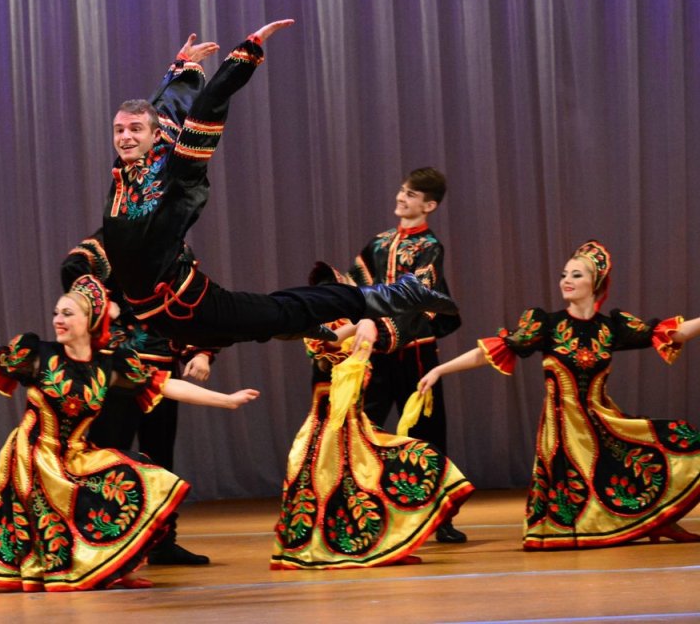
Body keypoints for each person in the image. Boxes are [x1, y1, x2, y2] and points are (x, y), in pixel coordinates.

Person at [101, 20, 458, 352]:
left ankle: (396, 295)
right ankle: (295, 323)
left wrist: (245, 55)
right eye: (119, 130)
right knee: (250, 327)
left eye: (135, 130)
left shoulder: (176, 172)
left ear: (154, 136)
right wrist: (183, 70)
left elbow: (206, 109)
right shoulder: (125, 171)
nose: (125, 136)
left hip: (188, 304)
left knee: (276, 311)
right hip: (163, 319)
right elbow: (162, 110)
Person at [0, 275, 259, 591]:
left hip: (76, 452)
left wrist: (225, 400)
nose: (58, 320)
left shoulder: (110, 364)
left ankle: (115, 564)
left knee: (137, 477)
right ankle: (67, 567)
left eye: (68, 313)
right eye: (56, 313)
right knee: (55, 518)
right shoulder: (38, 354)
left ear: (91, 319)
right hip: (33, 456)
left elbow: (165, 384)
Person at [418, 240, 700, 549]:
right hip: (563, 428)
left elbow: (675, 333)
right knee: (580, 490)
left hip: (600, 418)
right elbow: (493, 350)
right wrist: (440, 370)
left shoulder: (611, 327)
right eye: (564, 274)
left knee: (674, 442)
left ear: (595, 283)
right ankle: (640, 523)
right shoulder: (547, 324)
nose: (566, 280)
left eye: (577, 275)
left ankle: (662, 521)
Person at [62, 229, 216, 566]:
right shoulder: (114, 239)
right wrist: (103, 305)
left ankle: (161, 541)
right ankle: (98, 540)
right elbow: (74, 268)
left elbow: (191, 304)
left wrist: (201, 352)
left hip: (161, 368)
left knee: (159, 458)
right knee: (108, 456)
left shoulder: (176, 249)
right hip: (117, 367)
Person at [271, 319, 473, 569]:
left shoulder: (361, 334)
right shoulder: (328, 332)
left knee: (414, 458)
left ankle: (383, 541)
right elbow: (324, 347)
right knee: (334, 487)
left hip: (355, 427)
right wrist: (362, 324)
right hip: (330, 434)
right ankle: (335, 545)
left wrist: (368, 325)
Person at [343, 167, 467, 543]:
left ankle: (437, 516)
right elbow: (355, 285)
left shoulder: (429, 247)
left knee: (427, 434)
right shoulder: (379, 243)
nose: (401, 197)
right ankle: (359, 512)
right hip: (378, 353)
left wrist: (380, 327)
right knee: (362, 427)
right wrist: (353, 321)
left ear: (429, 205)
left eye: (411, 194)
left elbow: (419, 295)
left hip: (415, 352)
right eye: (402, 190)